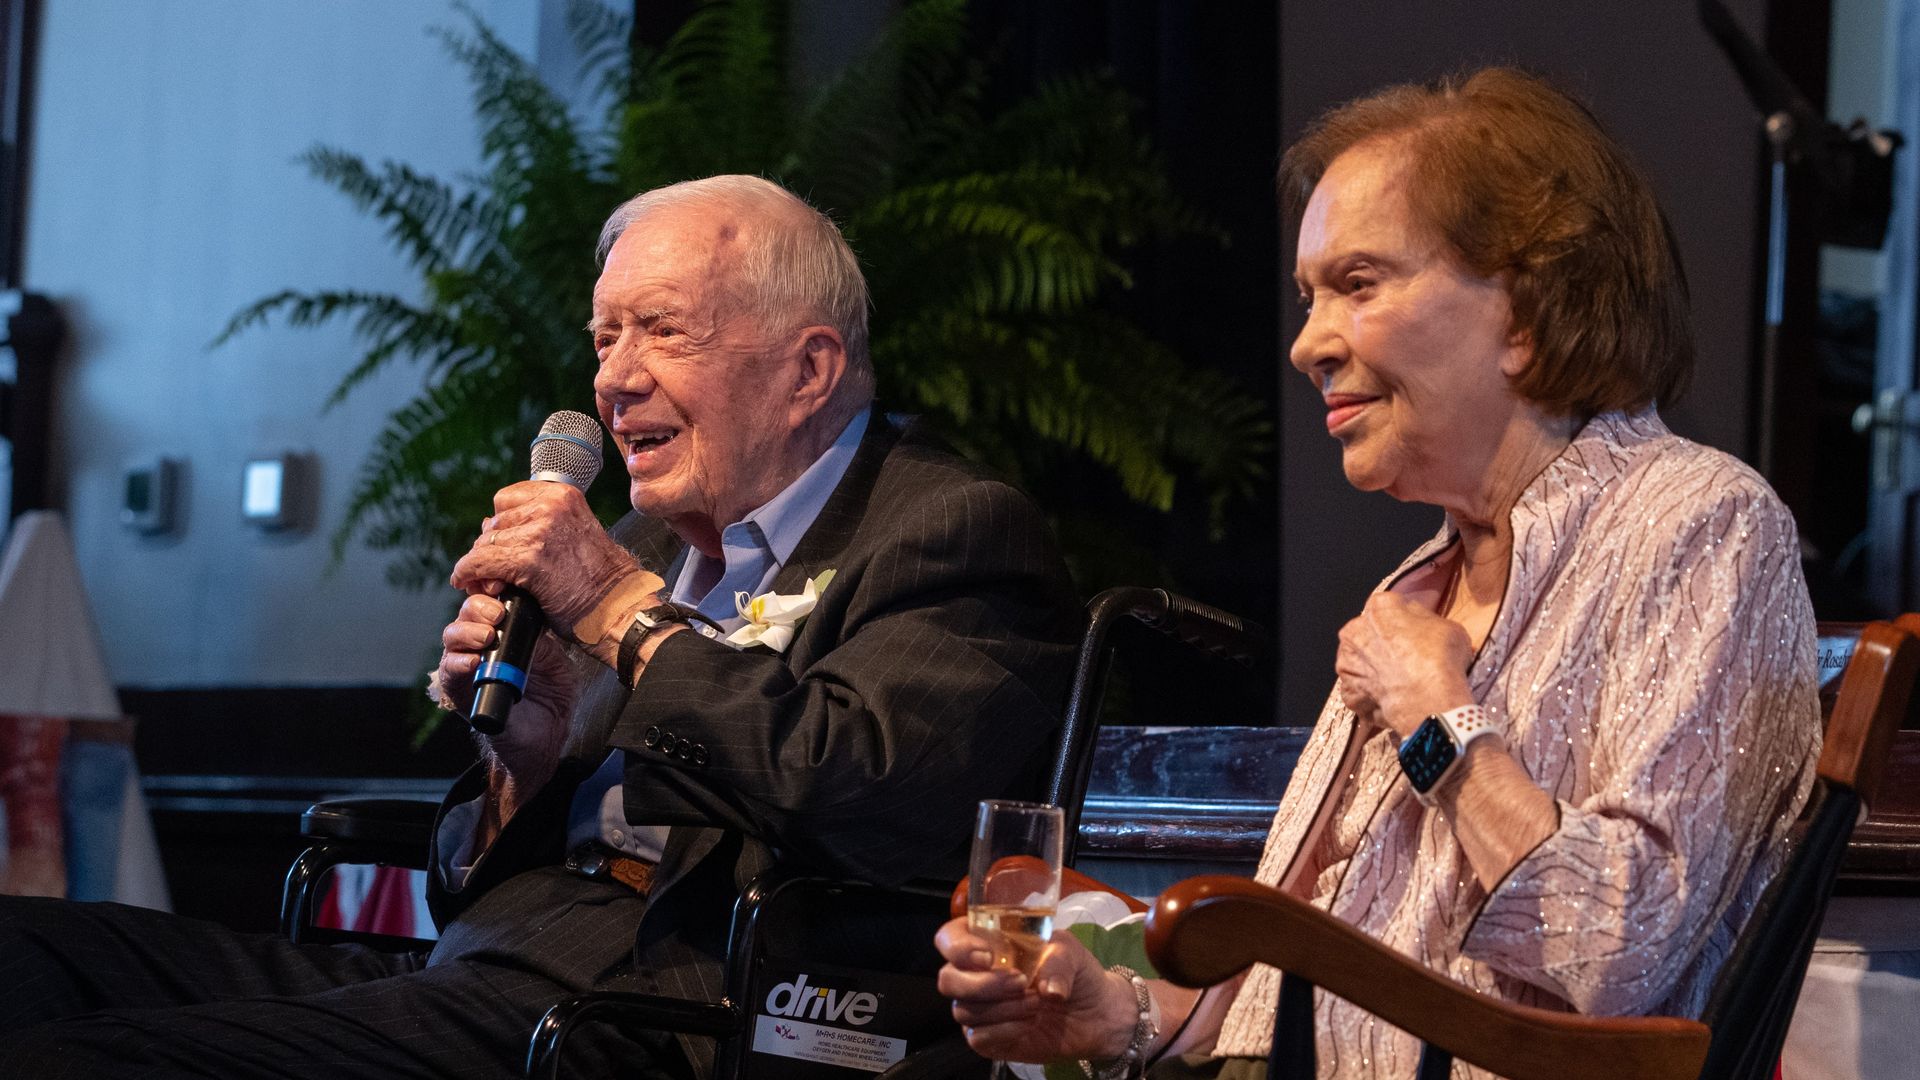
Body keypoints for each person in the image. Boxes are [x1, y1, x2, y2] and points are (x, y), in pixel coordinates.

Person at [0, 175, 1081, 1079]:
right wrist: (528, 752)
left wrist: (618, 612)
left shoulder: (950, 531)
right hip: (485, 967)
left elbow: (866, 792)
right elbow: (469, 880)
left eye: (662, 330)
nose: (613, 379)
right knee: (28, 956)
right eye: (604, 337)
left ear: (808, 370)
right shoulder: (652, 544)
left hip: (675, 1014)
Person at [927, 68, 1822, 1079]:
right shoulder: (1419, 583)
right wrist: (1119, 1015)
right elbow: (1298, 985)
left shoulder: (1697, 522)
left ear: (1526, 311)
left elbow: (1616, 951)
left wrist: (1432, 711)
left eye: (1359, 284)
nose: (1308, 343)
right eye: (1309, 297)